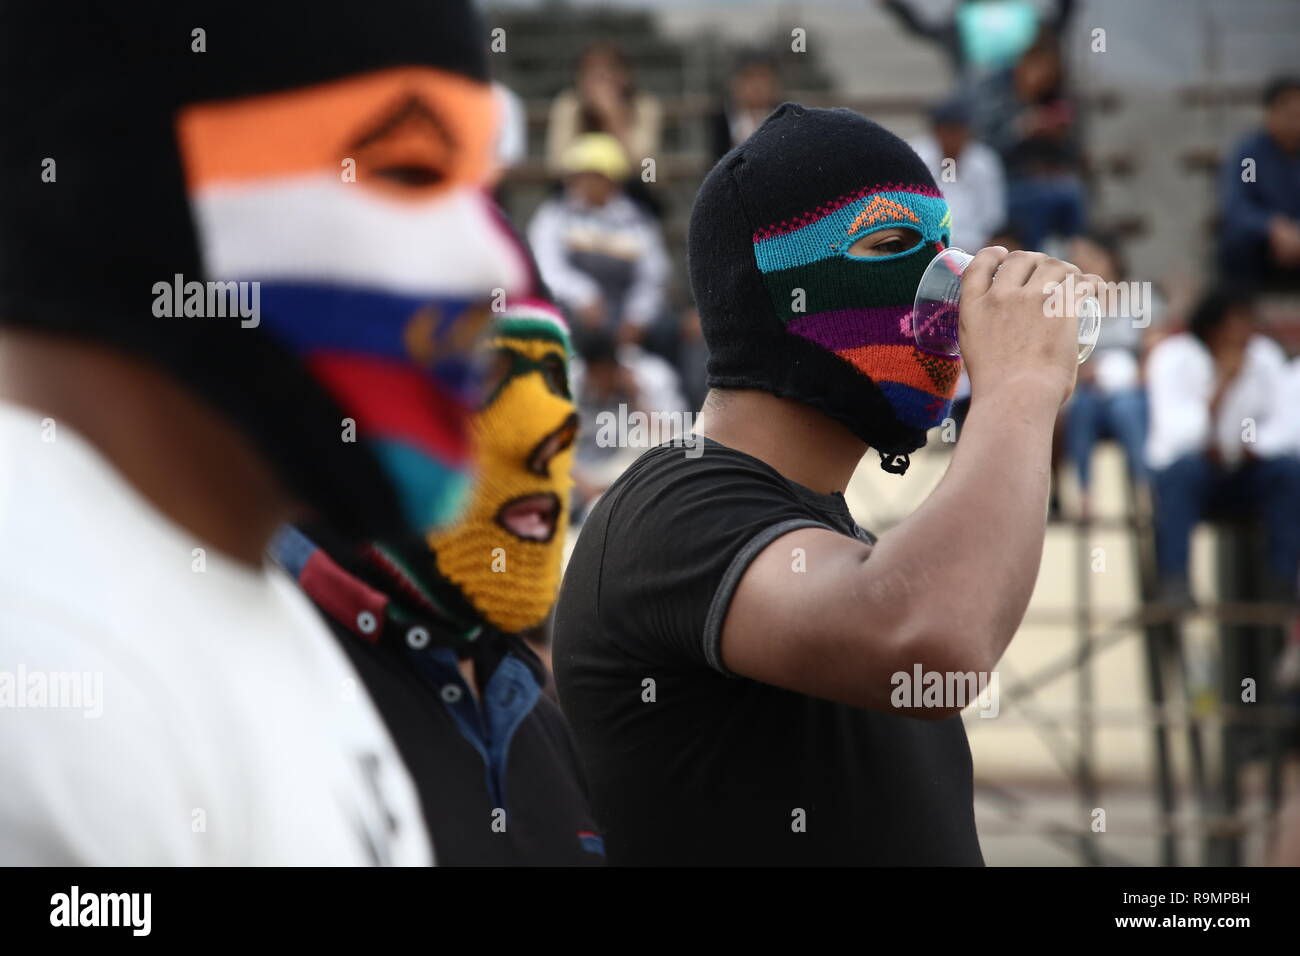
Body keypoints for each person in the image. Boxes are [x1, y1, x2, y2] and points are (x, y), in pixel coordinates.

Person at [0, 0, 530, 864]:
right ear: (133, 183)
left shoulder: (226, 589)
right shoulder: (44, 670)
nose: (497, 266)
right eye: (409, 169)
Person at [553, 104, 1102, 865]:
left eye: (944, 249)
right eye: (892, 246)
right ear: (773, 292)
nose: (941, 286)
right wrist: (1019, 388)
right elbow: (932, 649)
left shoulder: (836, 543)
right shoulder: (669, 508)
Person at [271, 298, 605, 866]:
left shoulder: (539, 715)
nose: (550, 429)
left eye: (556, 381)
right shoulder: (257, 685)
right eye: (484, 373)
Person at [1145, 288, 1300, 607]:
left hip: (1245, 473)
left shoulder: (1264, 357)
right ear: (1214, 325)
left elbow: (1284, 423)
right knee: (1182, 473)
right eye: (1238, 320)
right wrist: (1222, 386)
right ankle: (1176, 583)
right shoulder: (1174, 357)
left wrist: (1253, 447)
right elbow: (1175, 434)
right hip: (1194, 478)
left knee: (1288, 472)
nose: (1247, 329)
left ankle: (1283, 583)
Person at [528, 133, 671, 346]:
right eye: (578, 176)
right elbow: (547, 267)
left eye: (592, 176)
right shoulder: (554, 215)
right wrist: (584, 296)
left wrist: (636, 317)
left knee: (668, 330)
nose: (582, 183)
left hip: (626, 312)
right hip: (574, 310)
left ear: (612, 180)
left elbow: (653, 275)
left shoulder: (637, 219)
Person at [1063, 232, 1157, 519]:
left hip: (1131, 389)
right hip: (1090, 389)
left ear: (1112, 260)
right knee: (1082, 410)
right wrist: (1084, 371)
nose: (1082, 264)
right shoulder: (1069, 306)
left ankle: (1145, 488)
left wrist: (1137, 375)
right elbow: (1063, 356)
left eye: (1090, 257)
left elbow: (1155, 347)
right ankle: (1083, 495)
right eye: (1076, 259)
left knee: (1127, 409)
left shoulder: (1139, 299)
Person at [971, 29, 1086, 251]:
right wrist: (1021, 129)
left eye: (1048, 76)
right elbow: (982, 151)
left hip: (1046, 181)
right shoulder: (995, 95)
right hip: (1003, 184)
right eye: (1038, 70)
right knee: (1044, 199)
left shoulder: (1054, 101)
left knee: (1070, 191)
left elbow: (1073, 156)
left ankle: (1076, 257)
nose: (1040, 80)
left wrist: (1059, 138)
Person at [1218, 76, 1300, 287]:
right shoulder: (1251, 157)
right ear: (1270, 113)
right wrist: (1272, 227)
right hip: (1263, 243)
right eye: (1289, 114)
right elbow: (1239, 204)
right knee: (1237, 244)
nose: (1295, 121)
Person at [545, 42, 662, 177]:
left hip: (631, 189)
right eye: (592, 70)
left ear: (626, 75)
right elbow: (556, 166)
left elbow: (649, 172)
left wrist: (613, 118)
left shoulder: (644, 105)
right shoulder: (569, 105)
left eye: (610, 68)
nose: (602, 77)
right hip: (578, 189)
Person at [910, 97, 1007, 253]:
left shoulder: (984, 161)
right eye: (946, 131)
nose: (951, 138)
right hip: (928, 246)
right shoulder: (916, 155)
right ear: (936, 131)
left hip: (975, 248)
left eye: (957, 130)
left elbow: (993, 216)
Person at [708, 53, 783, 163]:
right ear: (735, 83)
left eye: (763, 77)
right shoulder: (723, 119)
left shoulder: (785, 117)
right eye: (749, 77)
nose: (757, 85)